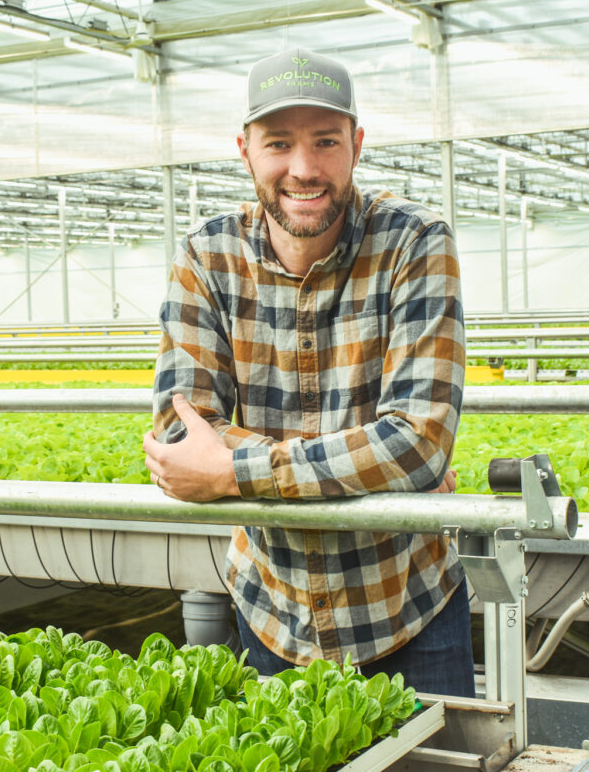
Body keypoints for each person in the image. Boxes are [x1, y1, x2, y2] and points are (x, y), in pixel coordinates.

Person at [142, 47, 472, 696]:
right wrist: (378, 470)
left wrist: (233, 472)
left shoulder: (414, 241)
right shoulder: (207, 256)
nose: (303, 168)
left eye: (326, 141)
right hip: (273, 611)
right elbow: (182, 435)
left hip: (407, 611)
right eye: (278, 143)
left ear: (356, 144)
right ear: (244, 150)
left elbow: (420, 444)